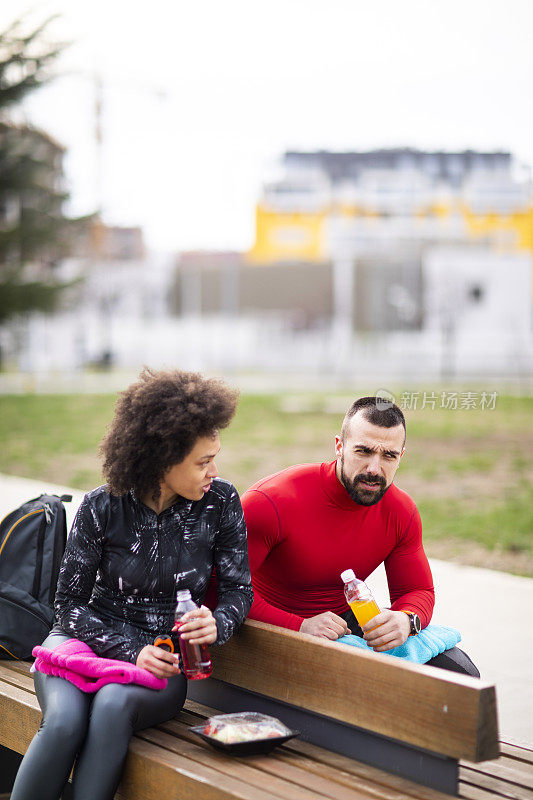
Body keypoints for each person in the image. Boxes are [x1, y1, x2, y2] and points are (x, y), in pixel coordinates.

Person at [11, 368, 253, 800]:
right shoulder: (102, 507)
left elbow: (239, 590)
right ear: (162, 458)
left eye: (215, 456)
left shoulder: (221, 503)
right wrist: (127, 650)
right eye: (203, 461)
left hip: (163, 664)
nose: (214, 470)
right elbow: (67, 605)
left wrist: (219, 622)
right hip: (82, 644)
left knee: (112, 706)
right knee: (64, 723)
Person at [241, 396, 478, 676]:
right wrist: (299, 626)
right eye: (363, 451)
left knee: (460, 674)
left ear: (401, 457)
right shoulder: (270, 502)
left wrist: (405, 620)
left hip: (341, 624)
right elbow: (221, 591)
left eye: (388, 455)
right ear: (339, 447)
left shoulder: (400, 511)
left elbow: (418, 591)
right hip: (265, 628)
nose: (374, 469)